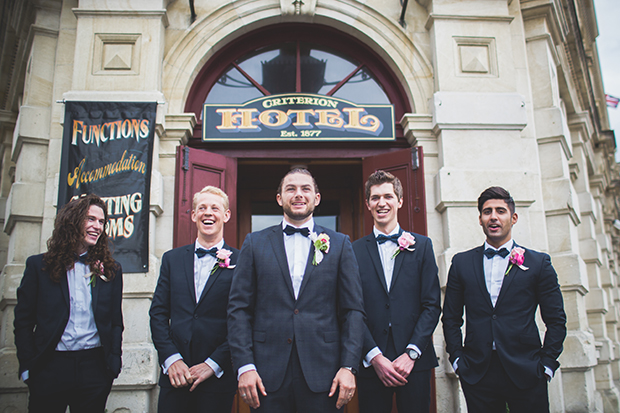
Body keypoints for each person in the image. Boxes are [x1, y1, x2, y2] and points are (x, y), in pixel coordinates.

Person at [227, 168, 365, 412]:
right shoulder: (254, 242)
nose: (298, 194)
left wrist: (349, 367)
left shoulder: (341, 244)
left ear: (317, 198)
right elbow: (239, 309)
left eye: (305, 189)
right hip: (265, 376)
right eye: (291, 189)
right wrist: (245, 366)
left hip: (325, 375)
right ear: (279, 198)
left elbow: (353, 311)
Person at [442, 186, 567, 413]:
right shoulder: (461, 263)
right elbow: (450, 317)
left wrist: (547, 365)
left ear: (513, 217)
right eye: (487, 211)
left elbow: (556, 319)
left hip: (527, 370)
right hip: (478, 372)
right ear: (480, 219)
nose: (494, 217)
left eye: (500, 210)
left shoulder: (539, 263)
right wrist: (458, 359)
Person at [14, 194, 123, 413]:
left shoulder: (111, 269)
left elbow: (115, 321)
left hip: (95, 368)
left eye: (101, 222)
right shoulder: (39, 266)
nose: (97, 226)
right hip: (50, 366)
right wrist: (28, 367)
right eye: (90, 219)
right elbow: (23, 321)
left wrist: (113, 364)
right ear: (73, 220)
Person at [352, 170, 441, 413]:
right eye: (375, 197)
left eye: (388, 196)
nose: (382, 203)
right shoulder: (353, 251)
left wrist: (411, 353)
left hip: (414, 361)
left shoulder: (422, 246)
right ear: (368, 204)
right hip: (372, 362)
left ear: (400, 201)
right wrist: (374, 356)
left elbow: (432, 305)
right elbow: (352, 309)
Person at [150, 186, 238, 413]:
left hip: (218, 378)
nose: (208, 213)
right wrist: (171, 359)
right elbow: (158, 313)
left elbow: (245, 319)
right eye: (202, 208)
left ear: (226, 215)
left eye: (215, 208)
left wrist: (213, 363)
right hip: (175, 376)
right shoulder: (171, 259)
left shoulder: (243, 261)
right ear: (193, 215)